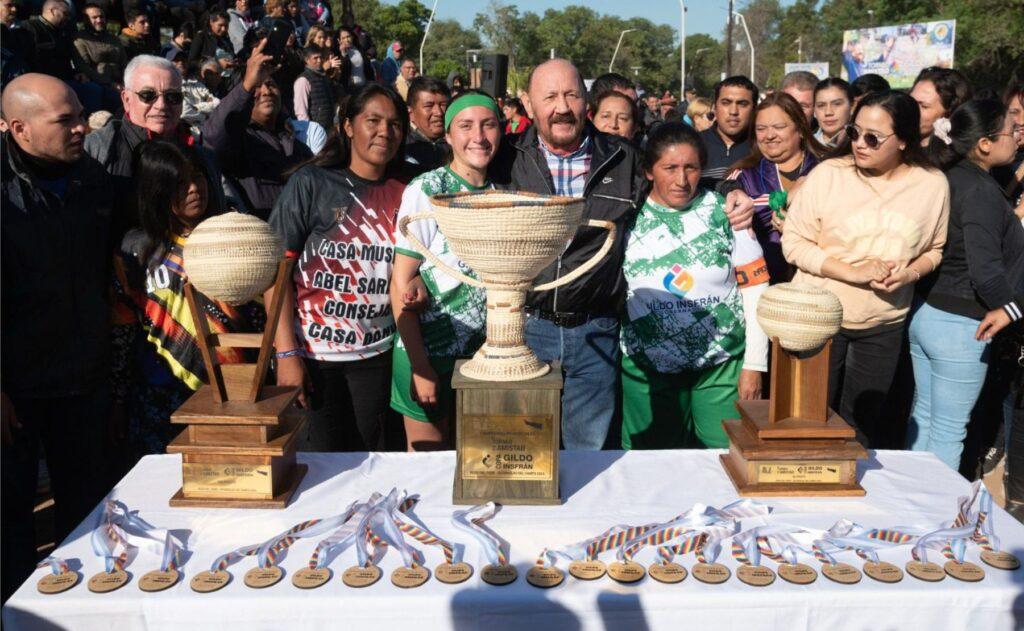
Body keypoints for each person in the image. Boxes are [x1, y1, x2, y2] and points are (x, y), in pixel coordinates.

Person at [499, 59, 755, 450]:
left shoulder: (622, 157)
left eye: (571, 94)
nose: (562, 106)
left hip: (595, 331)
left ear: (586, 101)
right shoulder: (507, 158)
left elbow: (675, 179)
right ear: (529, 104)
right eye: (549, 96)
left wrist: (725, 195)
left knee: (588, 454)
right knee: (526, 450)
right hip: (528, 326)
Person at [782, 90, 950, 447]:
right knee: (808, 422)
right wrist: (850, 272)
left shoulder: (932, 185)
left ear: (903, 140)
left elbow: (935, 249)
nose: (860, 144)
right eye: (854, 132)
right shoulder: (829, 175)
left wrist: (909, 274)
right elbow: (793, 244)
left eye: (873, 138)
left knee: (861, 428)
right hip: (818, 317)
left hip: (883, 324)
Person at [1, 73, 112, 604]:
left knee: (88, 515)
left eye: (80, 115)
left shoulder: (89, 177)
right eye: (65, 120)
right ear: (19, 129)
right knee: (10, 525)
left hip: (84, 378)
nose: (82, 128)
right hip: (14, 391)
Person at [267, 84, 408, 452]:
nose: (384, 132)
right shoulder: (311, 182)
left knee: (370, 467)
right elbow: (275, 275)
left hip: (377, 358)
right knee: (320, 472)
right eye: (372, 120)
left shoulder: (407, 190)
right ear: (347, 126)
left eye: (394, 124)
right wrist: (286, 355)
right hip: (314, 358)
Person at [111, 140, 265, 458]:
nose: (195, 188)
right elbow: (123, 328)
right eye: (180, 182)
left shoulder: (233, 237)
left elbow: (262, 312)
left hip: (231, 386)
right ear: (156, 190)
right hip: (158, 391)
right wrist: (117, 397)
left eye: (199, 177)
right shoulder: (133, 250)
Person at [620, 122, 769, 449]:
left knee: (725, 464)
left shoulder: (727, 212)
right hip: (648, 371)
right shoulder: (626, 215)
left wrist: (755, 365)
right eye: (669, 168)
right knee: (650, 472)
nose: (681, 179)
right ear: (648, 171)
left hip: (720, 369)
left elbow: (756, 289)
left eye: (691, 168)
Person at [908, 99, 1024, 470]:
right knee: (947, 432)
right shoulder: (980, 193)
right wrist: (1012, 308)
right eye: (1011, 130)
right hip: (961, 327)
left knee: (925, 422)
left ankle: (914, 511)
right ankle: (937, 519)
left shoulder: (949, 176)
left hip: (927, 314)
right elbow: (985, 268)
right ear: (985, 143)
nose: (1017, 138)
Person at [391, 92, 502, 451]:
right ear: (449, 135)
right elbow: (401, 285)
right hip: (426, 354)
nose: (479, 136)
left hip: (478, 362)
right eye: (466, 126)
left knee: (476, 467)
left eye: (488, 125)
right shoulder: (427, 189)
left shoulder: (501, 195)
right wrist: (422, 369)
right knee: (427, 472)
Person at [85, 54, 225, 239]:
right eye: (148, 95)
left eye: (172, 96)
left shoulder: (201, 153)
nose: (161, 105)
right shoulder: (98, 149)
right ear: (127, 100)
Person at [203, 40, 317, 219]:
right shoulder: (238, 142)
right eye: (256, 86)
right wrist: (247, 85)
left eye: (271, 85)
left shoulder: (298, 146)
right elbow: (213, 136)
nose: (266, 91)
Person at [727, 92, 827, 283]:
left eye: (779, 127)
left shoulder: (828, 169)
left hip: (820, 285)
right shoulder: (743, 176)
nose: (769, 135)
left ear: (800, 128)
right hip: (765, 287)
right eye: (761, 129)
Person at [699, 75, 756, 190]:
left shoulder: (764, 147)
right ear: (714, 107)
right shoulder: (694, 143)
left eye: (742, 104)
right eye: (726, 103)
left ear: (754, 109)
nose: (733, 111)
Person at [910, 67, 973, 147]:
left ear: (949, 114)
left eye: (924, 106)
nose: (911, 109)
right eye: (910, 101)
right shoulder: (895, 148)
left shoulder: (961, 156)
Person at [74, 3, 128, 91]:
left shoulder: (113, 38)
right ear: (86, 20)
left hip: (121, 82)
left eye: (101, 16)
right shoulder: (80, 40)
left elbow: (124, 62)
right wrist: (110, 84)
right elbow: (85, 68)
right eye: (94, 17)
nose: (99, 20)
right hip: (98, 84)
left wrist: (126, 82)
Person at [404, 76, 450, 175]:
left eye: (443, 105)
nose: (438, 113)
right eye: (429, 106)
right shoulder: (401, 147)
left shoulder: (459, 143)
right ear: (410, 113)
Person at [293, 44, 335, 132]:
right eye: (315, 58)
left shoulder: (324, 76)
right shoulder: (303, 80)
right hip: (316, 130)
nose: (319, 60)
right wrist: (308, 132)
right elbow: (301, 111)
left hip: (329, 127)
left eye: (320, 57)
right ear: (307, 60)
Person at [813, 77, 853, 147]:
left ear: (852, 106)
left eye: (837, 104)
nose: (828, 112)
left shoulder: (863, 145)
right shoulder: (803, 146)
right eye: (821, 105)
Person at [181, 56, 220, 124]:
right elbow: (185, 111)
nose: (214, 77)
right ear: (201, 73)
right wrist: (204, 117)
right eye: (209, 73)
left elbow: (217, 103)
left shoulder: (199, 85)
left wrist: (196, 107)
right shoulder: (178, 85)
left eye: (216, 74)